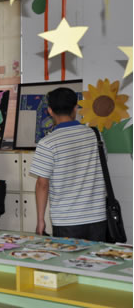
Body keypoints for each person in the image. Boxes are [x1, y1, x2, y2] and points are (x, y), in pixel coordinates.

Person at [29, 87, 107, 240]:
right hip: (97, 217)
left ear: (50, 111)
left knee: (67, 256)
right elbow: (102, 166)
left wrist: (40, 220)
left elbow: (42, 184)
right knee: (96, 255)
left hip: (66, 220)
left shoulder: (48, 143)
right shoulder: (95, 135)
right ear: (75, 108)